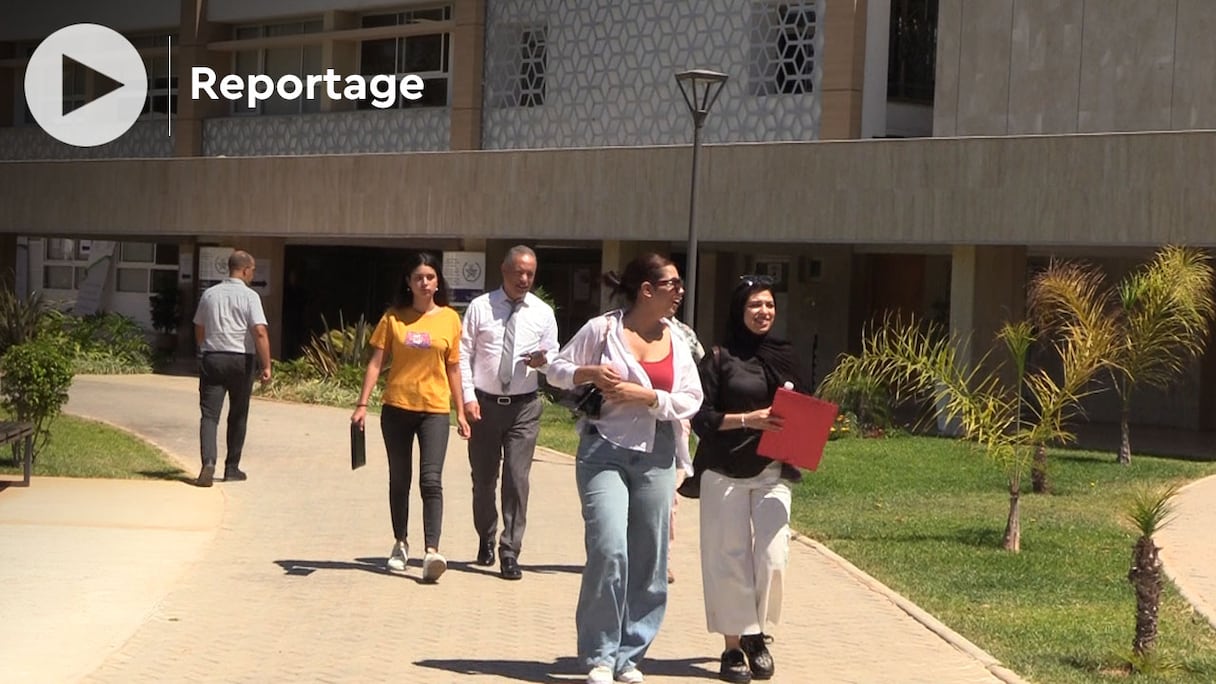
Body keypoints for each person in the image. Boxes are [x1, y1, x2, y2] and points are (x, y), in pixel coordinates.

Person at [546, 253, 703, 684]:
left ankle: (630, 655)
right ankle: (599, 654)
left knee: (651, 558)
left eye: (680, 284)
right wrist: (588, 371)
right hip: (603, 451)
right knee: (609, 547)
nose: (680, 292)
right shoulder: (603, 328)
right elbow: (556, 371)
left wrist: (648, 397)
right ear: (646, 290)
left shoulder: (679, 338)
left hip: (657, 455)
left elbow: (692, 398)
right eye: (672, 284)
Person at [691, 275, 808, 683]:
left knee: (774, 558)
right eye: (755, 305)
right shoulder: (718, 358)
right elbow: (700, 418)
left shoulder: (784, 355)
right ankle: (733, 647)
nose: (764, 312)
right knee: (729, 559)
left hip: (773, 470)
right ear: (739, 311)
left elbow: (802, 405)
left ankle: (757, 632)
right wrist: (748, 420)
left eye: (770, 305)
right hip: (724, 471)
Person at [351, 252, 470, 584]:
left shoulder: (449, 319)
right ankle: (401, 543)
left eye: (430, 277)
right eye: (418, 277)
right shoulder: (393, 318)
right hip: (397, 408)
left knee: (431, 481)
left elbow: (454, 368)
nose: (425, 283)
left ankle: (432, 551)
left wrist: (460, 410)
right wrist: (362, 404)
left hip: (433, 410)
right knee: (400, 478)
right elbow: (376, 363)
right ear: (409, 282)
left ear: (437, 281)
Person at [459, 245, 559, 581]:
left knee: (518, 480)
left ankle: (509, 549)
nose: (525, 279)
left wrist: (543, 361)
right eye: (519, 272)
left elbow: (554, 356)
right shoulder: (480, 308)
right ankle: (486, 536)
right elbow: (463, 356)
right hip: (484, 407)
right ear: (505, 270)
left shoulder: (542, 313)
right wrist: (468, 398)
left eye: (530, 273)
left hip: (524, 408)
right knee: (484, 480)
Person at [193, 249, 272, 488]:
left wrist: (205, 347)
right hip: (241, 360)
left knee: (209, 415)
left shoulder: (209, 294)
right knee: (238, 415)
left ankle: (208, 461)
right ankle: (231, 468)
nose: (253, 273)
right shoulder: (250, 297)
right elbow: (259, 331)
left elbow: (199, 326)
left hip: (213, 357)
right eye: (253, 269)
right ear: (246, 269)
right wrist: (266, 365)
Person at [665, 315, 705, 585]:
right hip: (628, 424)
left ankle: (661, 558)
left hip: (675, 422)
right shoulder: (620, 326)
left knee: (669, 497)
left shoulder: (683, 334)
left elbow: (703, 369)